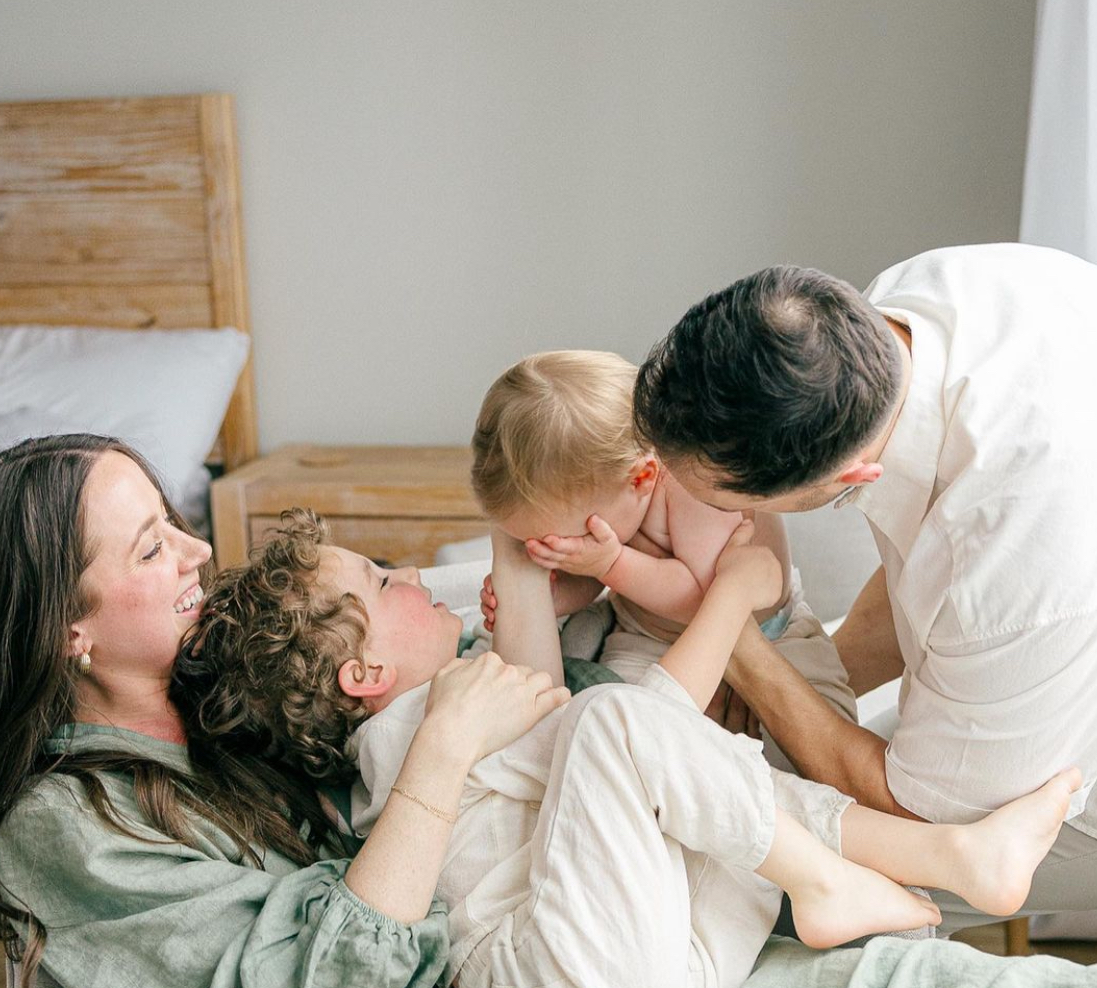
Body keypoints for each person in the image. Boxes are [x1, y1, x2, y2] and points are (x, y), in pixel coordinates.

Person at [179, 506, 1080, 988]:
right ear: (363, 676)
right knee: (621, 723)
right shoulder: (410, 735)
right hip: (561, 971)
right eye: (382, 581)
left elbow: (646, 752)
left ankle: (929, 860)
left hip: (665, 951)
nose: (413, 575)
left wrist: (533, 568)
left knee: (714, 785)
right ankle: (888, 867)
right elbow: (638, 726)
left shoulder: (468, 684)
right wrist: (726, 604)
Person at [631, 244, 1097, 932]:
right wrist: (814, 682)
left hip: (1065, 791)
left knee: (727, 888)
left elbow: (917, 811)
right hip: (1030, 632)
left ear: (850, 477)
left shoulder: (1016, 559)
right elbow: (927, 568)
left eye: (724, 505)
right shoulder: (907, 306)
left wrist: (723, 630)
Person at [0, 433, 569, 988]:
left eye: (172, 521)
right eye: (151, 548)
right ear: (66, 631)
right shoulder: (64, 823)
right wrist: (443, 748)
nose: (198, 551)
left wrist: (524, 550)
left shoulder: (224, 680)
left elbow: (402, 612)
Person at [471, 350, 857, 751]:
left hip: (771, 636)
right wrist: (557, 595)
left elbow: (702, 596)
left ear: (642, 477)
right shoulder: (608, 496)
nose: (565, 548)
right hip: (643, 632)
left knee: (814, 734)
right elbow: (592, 580)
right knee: (612, 719)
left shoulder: (693, 486)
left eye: (567, 539)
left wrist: (611, 564)